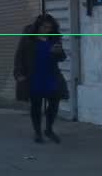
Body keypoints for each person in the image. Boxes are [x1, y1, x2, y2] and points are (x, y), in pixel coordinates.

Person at [14, 13, 69, 144]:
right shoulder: (28, 38)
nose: (46, 30)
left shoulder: (54, 38)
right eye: (44, 27)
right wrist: (19, 73)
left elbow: (62, 57)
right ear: (38, 26)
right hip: (34, 75)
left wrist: (58, 52)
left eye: (49, 28)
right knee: (36, 105)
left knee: (54, 103)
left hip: (51, 75)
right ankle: (37, 132)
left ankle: (49, 129)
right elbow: (19, 56)